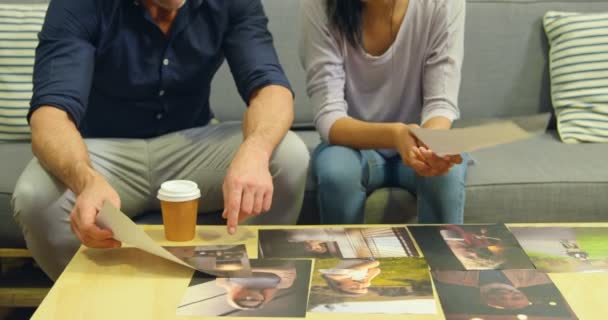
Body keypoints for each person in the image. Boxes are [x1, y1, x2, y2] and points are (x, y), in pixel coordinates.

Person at [11, 0, 310, 281]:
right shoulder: (80, 5)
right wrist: (85, 179)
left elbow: (271, 89)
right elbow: (50, 115)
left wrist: (255, 151)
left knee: (288, 156)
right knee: (34, 195)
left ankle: (240, 285)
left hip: (190, 148)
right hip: (103, 155)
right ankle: (98, 300)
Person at [300, 0, 468, 224]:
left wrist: (430, 144)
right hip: (352, 145)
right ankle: (343, 258)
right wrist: (395, 135)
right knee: (337, 172)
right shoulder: (319, 5)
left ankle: (442, 257)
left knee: (445, 173)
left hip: (418, 140)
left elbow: (441, 102)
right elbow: (329, 117)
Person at [216, 262, 297, 310]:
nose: (248, 297)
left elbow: (224, 267)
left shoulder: (223, 283)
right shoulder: (283, 285)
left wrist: (275, 270)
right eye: (253, 300)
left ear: (234, 297)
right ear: (262, 299)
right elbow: (289, 270)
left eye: (242, 299)